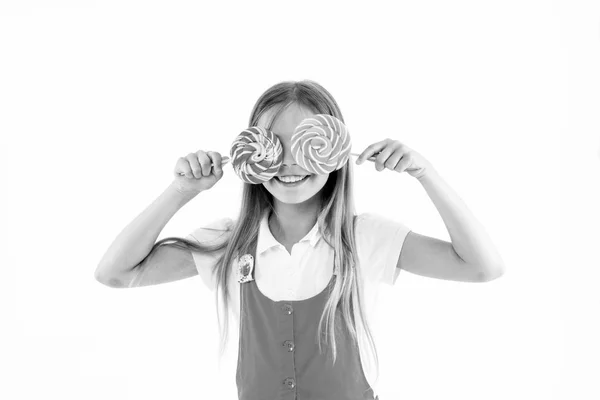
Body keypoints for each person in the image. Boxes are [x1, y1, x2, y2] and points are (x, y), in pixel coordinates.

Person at [95, 80, 505, 399]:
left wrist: (425, 173)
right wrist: (181, 191)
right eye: (274, 145)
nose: (290, 161)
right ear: (250, 153)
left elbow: (482, 267)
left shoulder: (363, 238)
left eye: (308, 144)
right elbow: (115, 273)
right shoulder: (228, 242)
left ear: (336, 151)